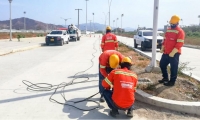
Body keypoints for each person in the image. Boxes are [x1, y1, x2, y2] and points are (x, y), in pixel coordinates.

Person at [159, 15, 185, 86]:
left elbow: (180, 43)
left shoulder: (180, 31)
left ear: (177, 22)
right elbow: (165, 40)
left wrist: (173, 52)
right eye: (171, 23)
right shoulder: (168, 29)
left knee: (173, 68)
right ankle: (165, 78)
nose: (172, 25)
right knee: (162, 64)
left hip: (174, 53)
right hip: (166, 52)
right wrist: (163, 47)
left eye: (173, 23)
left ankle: (172, 82)